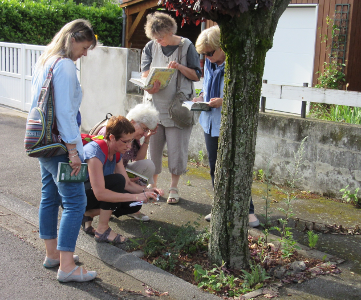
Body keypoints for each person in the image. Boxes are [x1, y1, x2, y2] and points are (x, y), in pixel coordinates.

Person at [29, 19, 97, 282]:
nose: (85, 53)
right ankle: (67, 267)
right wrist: (73, 150)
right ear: (72, 39)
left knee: (49, 196)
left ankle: (53, 255)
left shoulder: (45, 60)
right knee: (76, 202)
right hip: (61, 145)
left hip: (43, 143)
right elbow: (66, 113)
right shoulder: (66, 65)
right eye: (85, 47)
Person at [193, 25, 259, 227]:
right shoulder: (210, 66)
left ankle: (247, 211)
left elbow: (246, 96)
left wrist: (224, 101)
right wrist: (201, 98)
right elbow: (207, 88)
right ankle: (220, 207)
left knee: (236, 167)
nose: (207, 57)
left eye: (210, 52)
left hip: (230, 124)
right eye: (203, 54)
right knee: (216, 168)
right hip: (210, 124)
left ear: (222, 46)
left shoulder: (236, 65)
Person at [141, 12, 201, 204]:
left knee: (177, 150)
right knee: (154, 149)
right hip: (154, 108)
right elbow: (144, 75)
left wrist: (180, 67)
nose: (159, 41)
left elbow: (196, 75)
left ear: (170, 30)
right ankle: (153, 185)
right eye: (155, 38)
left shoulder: (186, 46)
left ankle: (174, 188)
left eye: (162, 37)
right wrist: (150, 84)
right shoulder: (150, 46)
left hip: (178, 108)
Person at [81, 115, 164, 243]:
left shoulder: (116, 151)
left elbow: (128, 185)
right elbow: (100, 193)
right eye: (125, 141)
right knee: (117, 182)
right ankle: (102, 230)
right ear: (112, 138)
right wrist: (136, 197)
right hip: (76, 197)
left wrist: (146, 192)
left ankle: (88, 214)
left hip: (90, 194)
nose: (129, 146)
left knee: (131, 205)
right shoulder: (95, 153)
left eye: (131, 141)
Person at [97, 103, 160, 222]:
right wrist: (126, 180)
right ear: (132, 122)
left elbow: (138, 160)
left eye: (147, 130)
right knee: (120, 181)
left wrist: (147, 139)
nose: (144, 133)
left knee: (148, 165)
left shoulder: (132, 138)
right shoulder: (114, 132)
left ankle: (133, 208)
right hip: (103, 174)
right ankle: (108, 208)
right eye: (144, 128)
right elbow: (107, 164)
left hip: (121, 172)